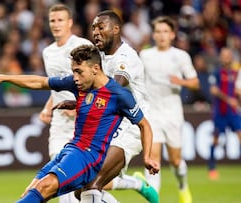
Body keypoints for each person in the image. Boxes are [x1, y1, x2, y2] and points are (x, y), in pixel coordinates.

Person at [0, 44, 159, 203]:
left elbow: (145, 125)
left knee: (43, 189)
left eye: (78, 71)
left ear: (95, 68)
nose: (75, 77)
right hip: (69, 150)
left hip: (87, 158)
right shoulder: (79, 85)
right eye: (73, 71)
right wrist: (3, 77)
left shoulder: (119, 95)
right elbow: (40, 82)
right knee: (30, 192)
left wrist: (147, 157)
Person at [74, 10, 159, 203]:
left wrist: (81, 101)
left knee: (90, 185)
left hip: (132, 126)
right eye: (93, 27)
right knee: (82, 188)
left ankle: (138, 185)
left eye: (100, 27)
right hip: (111, 126)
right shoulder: (101, 58)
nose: (95, 31)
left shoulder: (125, 57)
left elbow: (113, 88)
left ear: (116, 29)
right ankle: (136, 184)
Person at [139, 16, 199, 203]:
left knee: (175, 160)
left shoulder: (180, 56)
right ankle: (154, 199)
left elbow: (195, 83)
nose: (162, 35)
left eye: (165, 31)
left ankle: (182, 186)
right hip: (152, 114)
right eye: (158, 31)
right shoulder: (145, 55)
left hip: (172, 113)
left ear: (172, 34)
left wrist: (180, 81)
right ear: (153, 35)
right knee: (153, 157)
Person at [38, 4, 92, 203]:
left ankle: (132, 183)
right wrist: (47, 106)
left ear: (70, 22)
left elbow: (97, 83)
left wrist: (79, 106)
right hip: (60, 122)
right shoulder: (48, 52)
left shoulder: (82, 46)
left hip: (85, 122)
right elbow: (57, 85)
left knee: (88, 185)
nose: (56, 24)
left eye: (60, 20)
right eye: (52, 20)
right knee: (60, 172)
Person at [208, 47, 241, 180]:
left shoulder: (236, 73)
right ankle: (211, 168)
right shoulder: (216, 73)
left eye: (228, 55)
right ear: (220, 57)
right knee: (216, 139)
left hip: (233, 112)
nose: (226, 58)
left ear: (231, 57)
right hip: (220, 112)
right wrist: (229, 100)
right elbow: (214, 90)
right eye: (223, 55)